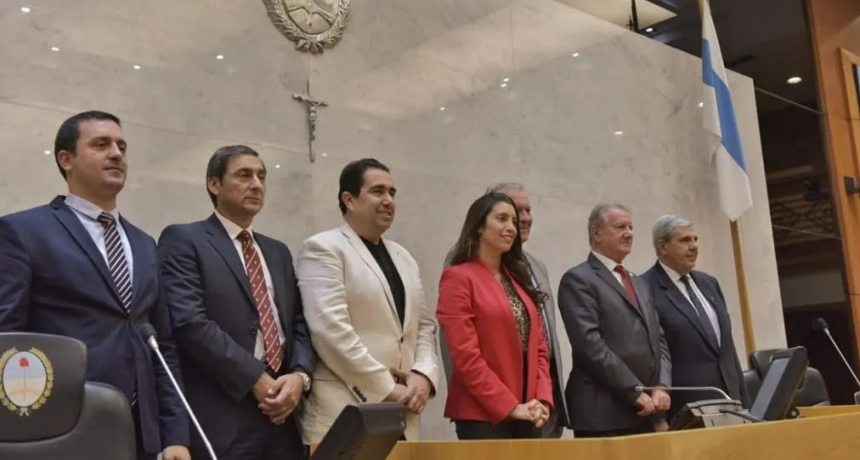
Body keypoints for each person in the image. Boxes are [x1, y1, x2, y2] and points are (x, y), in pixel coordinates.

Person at [0, 111, 189, 460]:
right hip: (60, 428)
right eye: (101, 144)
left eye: (122, 146)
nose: (117, 153)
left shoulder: (144, 243)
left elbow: (162, 345)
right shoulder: (23, 232)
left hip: (140, 433)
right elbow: (8, 338)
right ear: (66, 159)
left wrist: (174, 435)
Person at [157, 145, 314, 460]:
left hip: (283, 415)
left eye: (261, 176)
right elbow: (191, 323)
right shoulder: (184, 240)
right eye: (244, 175)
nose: (256, 184)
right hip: (224, 414)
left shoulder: (278, 252)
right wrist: (255, 379)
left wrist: (299, 377)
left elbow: (299, 322)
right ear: (214, 184)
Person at [295, 158, 440, 444]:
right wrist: (388, 388)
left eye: (392, 193)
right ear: (349, 199)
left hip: (404, 416)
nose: (388, 200)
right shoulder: (324, 248)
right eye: (378, 191)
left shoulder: (404, 257)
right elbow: (330, 332)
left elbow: (424, 327)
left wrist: (423, 377)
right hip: (345, 412)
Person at [437, 192, 553, 440]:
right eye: (502, 219)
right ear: (479, 225)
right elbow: (465, 356)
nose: (511, 227)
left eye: (513, 221)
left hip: (529, 412)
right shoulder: (458, 278)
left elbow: (540, 348)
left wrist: (541, 399)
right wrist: (509, 406)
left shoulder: (518, 280)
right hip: (482, 415)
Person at [557, 203, 672, 437]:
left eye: (631, 227)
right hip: (603, 414)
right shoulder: (578, 279)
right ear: (596, 233)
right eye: (620, 227)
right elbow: (590, 345)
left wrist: (662, 386)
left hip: (647, 411)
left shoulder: (637, 282)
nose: (629, 233)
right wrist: (633, 391)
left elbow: (658, 340)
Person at [641, 215, 748, 420]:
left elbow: (728, 349)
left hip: (730, 403)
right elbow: (649, 358)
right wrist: (658, 418)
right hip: (686, 409)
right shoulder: (644, 288)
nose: (694, 246)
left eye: (695, 239)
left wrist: (746, 402)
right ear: (663, 247)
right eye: (684, 241)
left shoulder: (709, 283)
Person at [487, 182, 570, 437]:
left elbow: (543, 337)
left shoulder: (537, 266)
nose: (524, 218)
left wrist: (547, 395)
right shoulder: (471, 265)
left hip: (544, 400)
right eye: (513, 212)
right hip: (498, 405)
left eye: (527, 210)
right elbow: (459, 350)